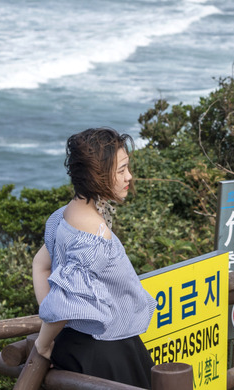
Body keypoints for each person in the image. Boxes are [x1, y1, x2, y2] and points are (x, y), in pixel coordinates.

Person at [32, 127, 156, 388]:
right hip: (106, 355)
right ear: (97, 175)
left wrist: (55, 333)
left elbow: (40, 266)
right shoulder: (96, 236)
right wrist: (43, 344)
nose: (129, 177)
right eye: (121, 170)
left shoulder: (62, 216)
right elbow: (64, 302)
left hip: (77, 347)